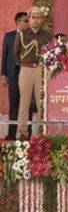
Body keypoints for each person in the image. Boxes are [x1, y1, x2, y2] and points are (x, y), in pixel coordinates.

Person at [14, 7, 52, 140]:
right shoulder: (22, 34)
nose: (36, 20)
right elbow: (16, 53)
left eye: (38, 17)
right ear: (28, 19)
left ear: (42, 19)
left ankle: (43, 132)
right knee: (24, 102)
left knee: (42, 102)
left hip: (42, 70)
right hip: (26, 69)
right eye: (33, 17)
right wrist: (24, 65)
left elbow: (51, 53)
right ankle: (23, 132)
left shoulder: (47, 35)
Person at [1, 12, 28, 140]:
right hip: (13, 74)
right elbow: (4, 56)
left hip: (27, 74)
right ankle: (11, 134)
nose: (27, 23)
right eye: (25, 21)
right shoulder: (9, 36)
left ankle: (25, 134)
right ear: (18, 22)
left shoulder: (30, 36)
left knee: (26, 104)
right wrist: (3, 74)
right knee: (14, 104)